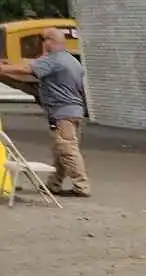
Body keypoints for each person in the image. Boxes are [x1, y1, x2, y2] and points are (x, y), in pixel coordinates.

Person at [0, 28, 90, 197]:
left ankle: (81, 186)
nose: (41, 44)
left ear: (49, 41)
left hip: (61, 111)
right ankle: (53, 184)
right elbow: (31, 73)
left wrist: (4, 69)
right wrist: (7, 70)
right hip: (74, 110)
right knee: (60, 150)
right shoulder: (70, 60)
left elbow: (27, 68)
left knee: (67, 149)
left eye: (43, 40)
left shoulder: (53, 60)